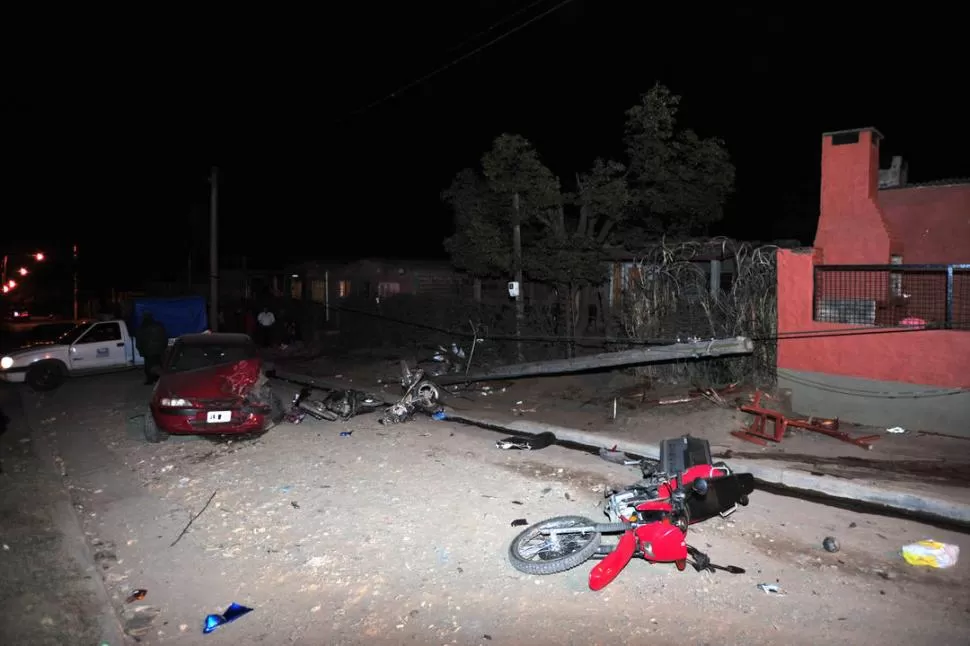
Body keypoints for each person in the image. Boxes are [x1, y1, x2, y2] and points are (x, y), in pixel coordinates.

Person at [136, 312, 169, 385]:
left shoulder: (142, 328)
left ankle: (150, 379)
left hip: (148, 351)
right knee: (159, 364)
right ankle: (159, 378)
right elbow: (164, 338)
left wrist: (141, 351)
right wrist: (163, 347)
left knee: (149, 366)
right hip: (159, 350)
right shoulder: (159, 326)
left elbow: (139, 341)